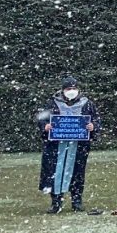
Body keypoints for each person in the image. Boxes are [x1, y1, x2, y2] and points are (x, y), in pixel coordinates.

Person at [38, 76, 99, 214]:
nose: (71, 91)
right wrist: (45, 126)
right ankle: (56, 202)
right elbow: (42, 119)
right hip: (56, 146)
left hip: (78, 147)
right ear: (63, 90)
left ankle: (76, 202)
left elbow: (96, 119)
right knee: (54, 173)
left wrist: (92, 126)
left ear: (78, 89)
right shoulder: (53, 103)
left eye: (74, 88)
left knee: (77, 173)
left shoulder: (87, 104)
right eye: (68, 88)